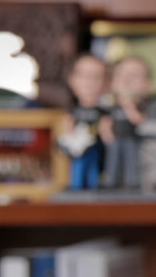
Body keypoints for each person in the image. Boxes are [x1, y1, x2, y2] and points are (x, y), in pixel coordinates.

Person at [100, 56, 151, 190]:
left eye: (134, 75)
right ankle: (111, 180)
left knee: (131, 161)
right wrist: (106, 133)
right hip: (115, 140)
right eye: (120, 75)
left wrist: (129, 106)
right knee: (113, 161)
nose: (125, 81)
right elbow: (106, 122)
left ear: (149, 84)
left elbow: (139, 120)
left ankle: (132, 182)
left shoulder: (150, 110)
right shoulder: (109, 107)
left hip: (131, 139)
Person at [61, 54, 108, 190]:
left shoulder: (106, 113)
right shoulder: (69, 112)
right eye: (84, 75)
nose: (90, 82)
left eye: (96, 76)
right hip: (77, 151)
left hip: (97, 153)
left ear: (106, 82)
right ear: (72, 80)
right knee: (78, 171)